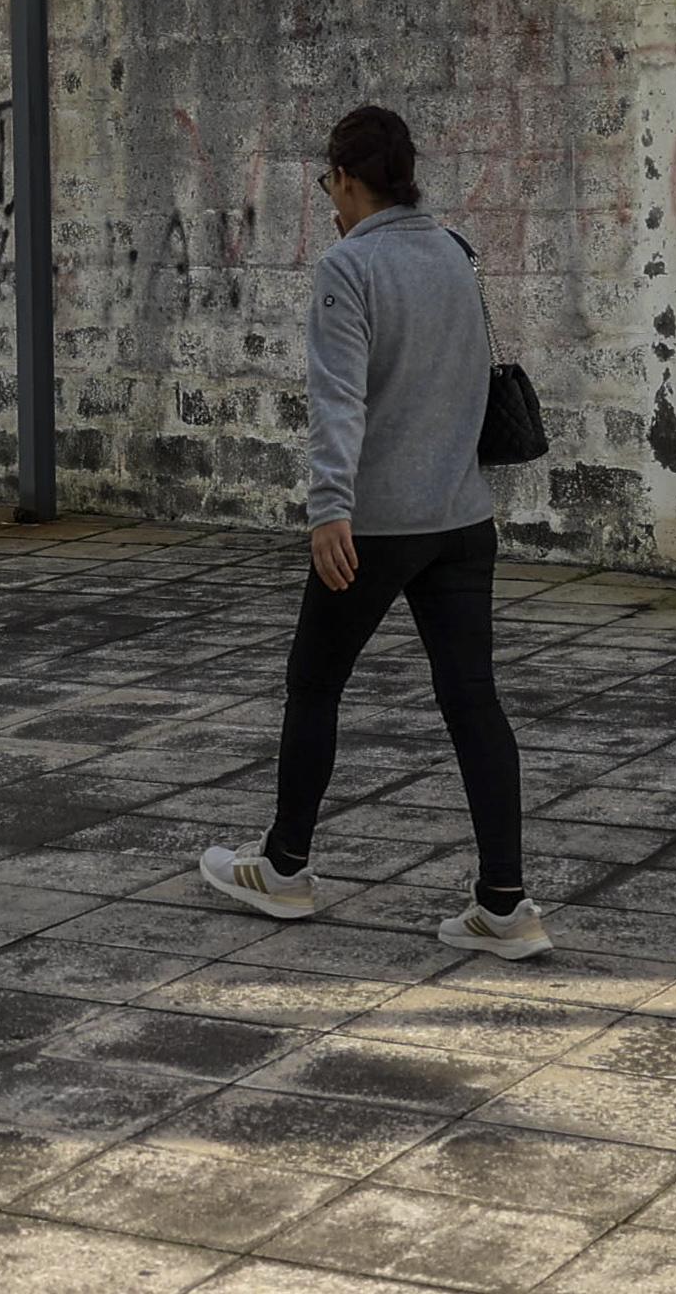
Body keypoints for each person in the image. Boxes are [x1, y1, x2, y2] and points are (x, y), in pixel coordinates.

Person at [200, 105, 547, 956]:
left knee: (313, 686)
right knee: (473, 704)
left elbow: (338, 403)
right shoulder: (455, 254)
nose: (329, 201)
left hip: (375, 526)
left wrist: (328, 510)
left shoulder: (348, 268)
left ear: (348, 180)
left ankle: (285, 871)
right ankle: (504, 905)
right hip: (463, 518)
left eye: (329, 184)